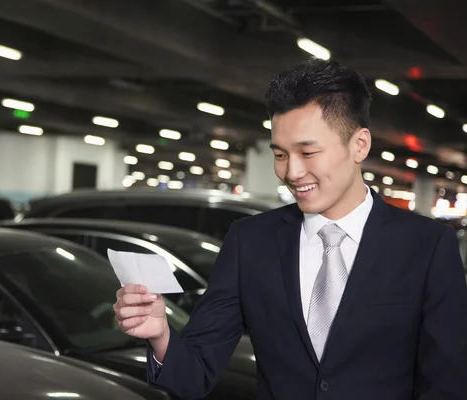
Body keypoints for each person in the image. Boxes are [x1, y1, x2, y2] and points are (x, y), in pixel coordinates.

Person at [113, 58, 467, 399]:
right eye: (280, 154)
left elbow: (447, 384)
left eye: (307, 153)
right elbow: (194, 375)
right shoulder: (249, 242)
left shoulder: (428, 246)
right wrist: (160, 336)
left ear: (359, 145)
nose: (291, 173)